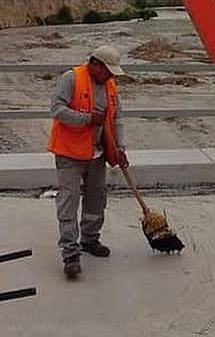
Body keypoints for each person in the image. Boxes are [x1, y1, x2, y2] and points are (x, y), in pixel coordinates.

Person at [48, 44, 130, 278]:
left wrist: (119, 147)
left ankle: (90, 239)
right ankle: (70, 253)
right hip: (70, 153)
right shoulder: (71, 78)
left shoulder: (110, 85)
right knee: (68, 203)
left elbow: (118, 118)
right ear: (95, 65)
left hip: (98, 154)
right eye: (108, 71)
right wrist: (86, 119)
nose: (111, 76)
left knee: (96, 199)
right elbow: (56, 110)